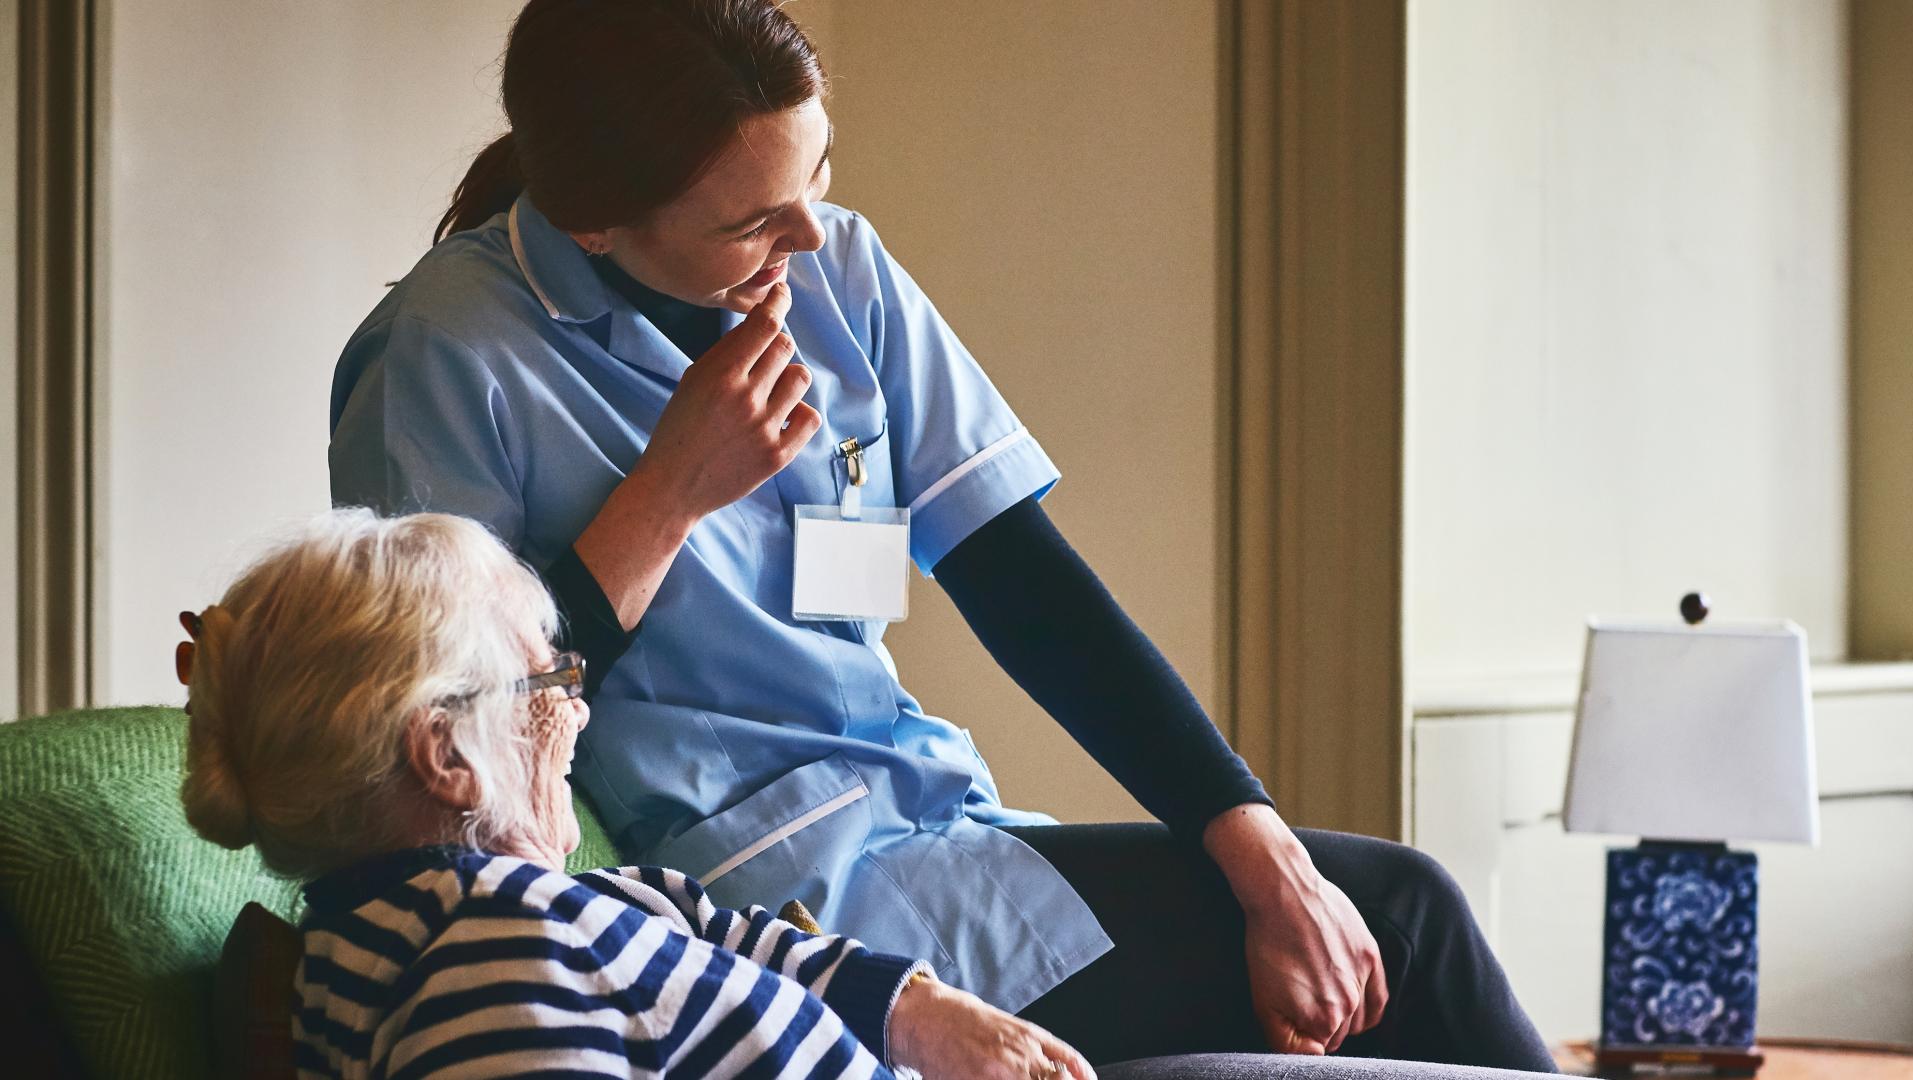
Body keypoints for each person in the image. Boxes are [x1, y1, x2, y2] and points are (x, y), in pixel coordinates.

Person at [327, 0, 1556, 1069]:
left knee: (1356, 912)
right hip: (756, 903)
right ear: (596, 224)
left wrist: (1259, 845)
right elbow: (448, 739)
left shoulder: (839, 272)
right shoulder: (442, 354)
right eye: (754, 223)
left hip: (937, 822)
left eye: (816, 180)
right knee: (1404, 916)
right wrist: (666, 497)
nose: (811, 241)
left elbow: (1026, 586)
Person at [178, 508, 1095, 1079]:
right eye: (547, 683)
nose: (576, 712)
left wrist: (914, 1013)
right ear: (448, 756)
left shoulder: (511, 915)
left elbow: (722, 936)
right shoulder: (491, 965)